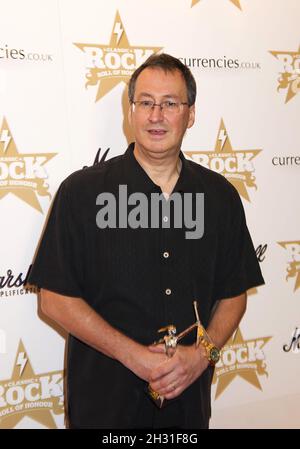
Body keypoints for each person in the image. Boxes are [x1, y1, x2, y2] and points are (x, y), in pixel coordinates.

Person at [28, 53, 264, 429]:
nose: (156, 115)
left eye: (170, 104)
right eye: (146, 103)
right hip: (103, 407)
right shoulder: (81, 192)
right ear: (131, 111)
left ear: (190, 114)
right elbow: (54, 299)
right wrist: (135, 356)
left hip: (188, 406)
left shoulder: (220, 196)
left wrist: (203, 355)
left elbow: (235, 293)